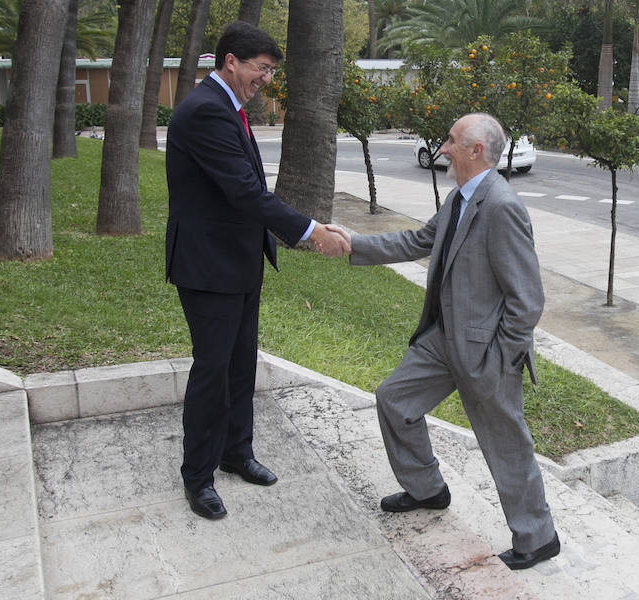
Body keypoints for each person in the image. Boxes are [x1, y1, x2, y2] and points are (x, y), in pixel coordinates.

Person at [338, 113, 560, 570]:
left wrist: (502, 355)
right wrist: (352, 244)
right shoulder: (461, 197)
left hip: (486, 352)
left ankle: (538, 538)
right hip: (443, 340)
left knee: (506, 445)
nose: (443, 148)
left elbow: (528, 298)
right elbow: (418, 240)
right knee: (394, 400)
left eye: (452, 141)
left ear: (476, 151)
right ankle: (427, 489)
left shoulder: (501, 206)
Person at [165, 20, 349, 520]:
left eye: (269, 70)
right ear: (231, 62)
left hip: (239, 262)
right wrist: (310, 230)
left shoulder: (228, 108)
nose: (266, 79)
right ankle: (198, 477)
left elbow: (245, 189)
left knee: (241, 364)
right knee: (212, 372)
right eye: (261, 69)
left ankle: (235, 452)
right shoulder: (206, 111)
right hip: (208, 268)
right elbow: (246, 193)